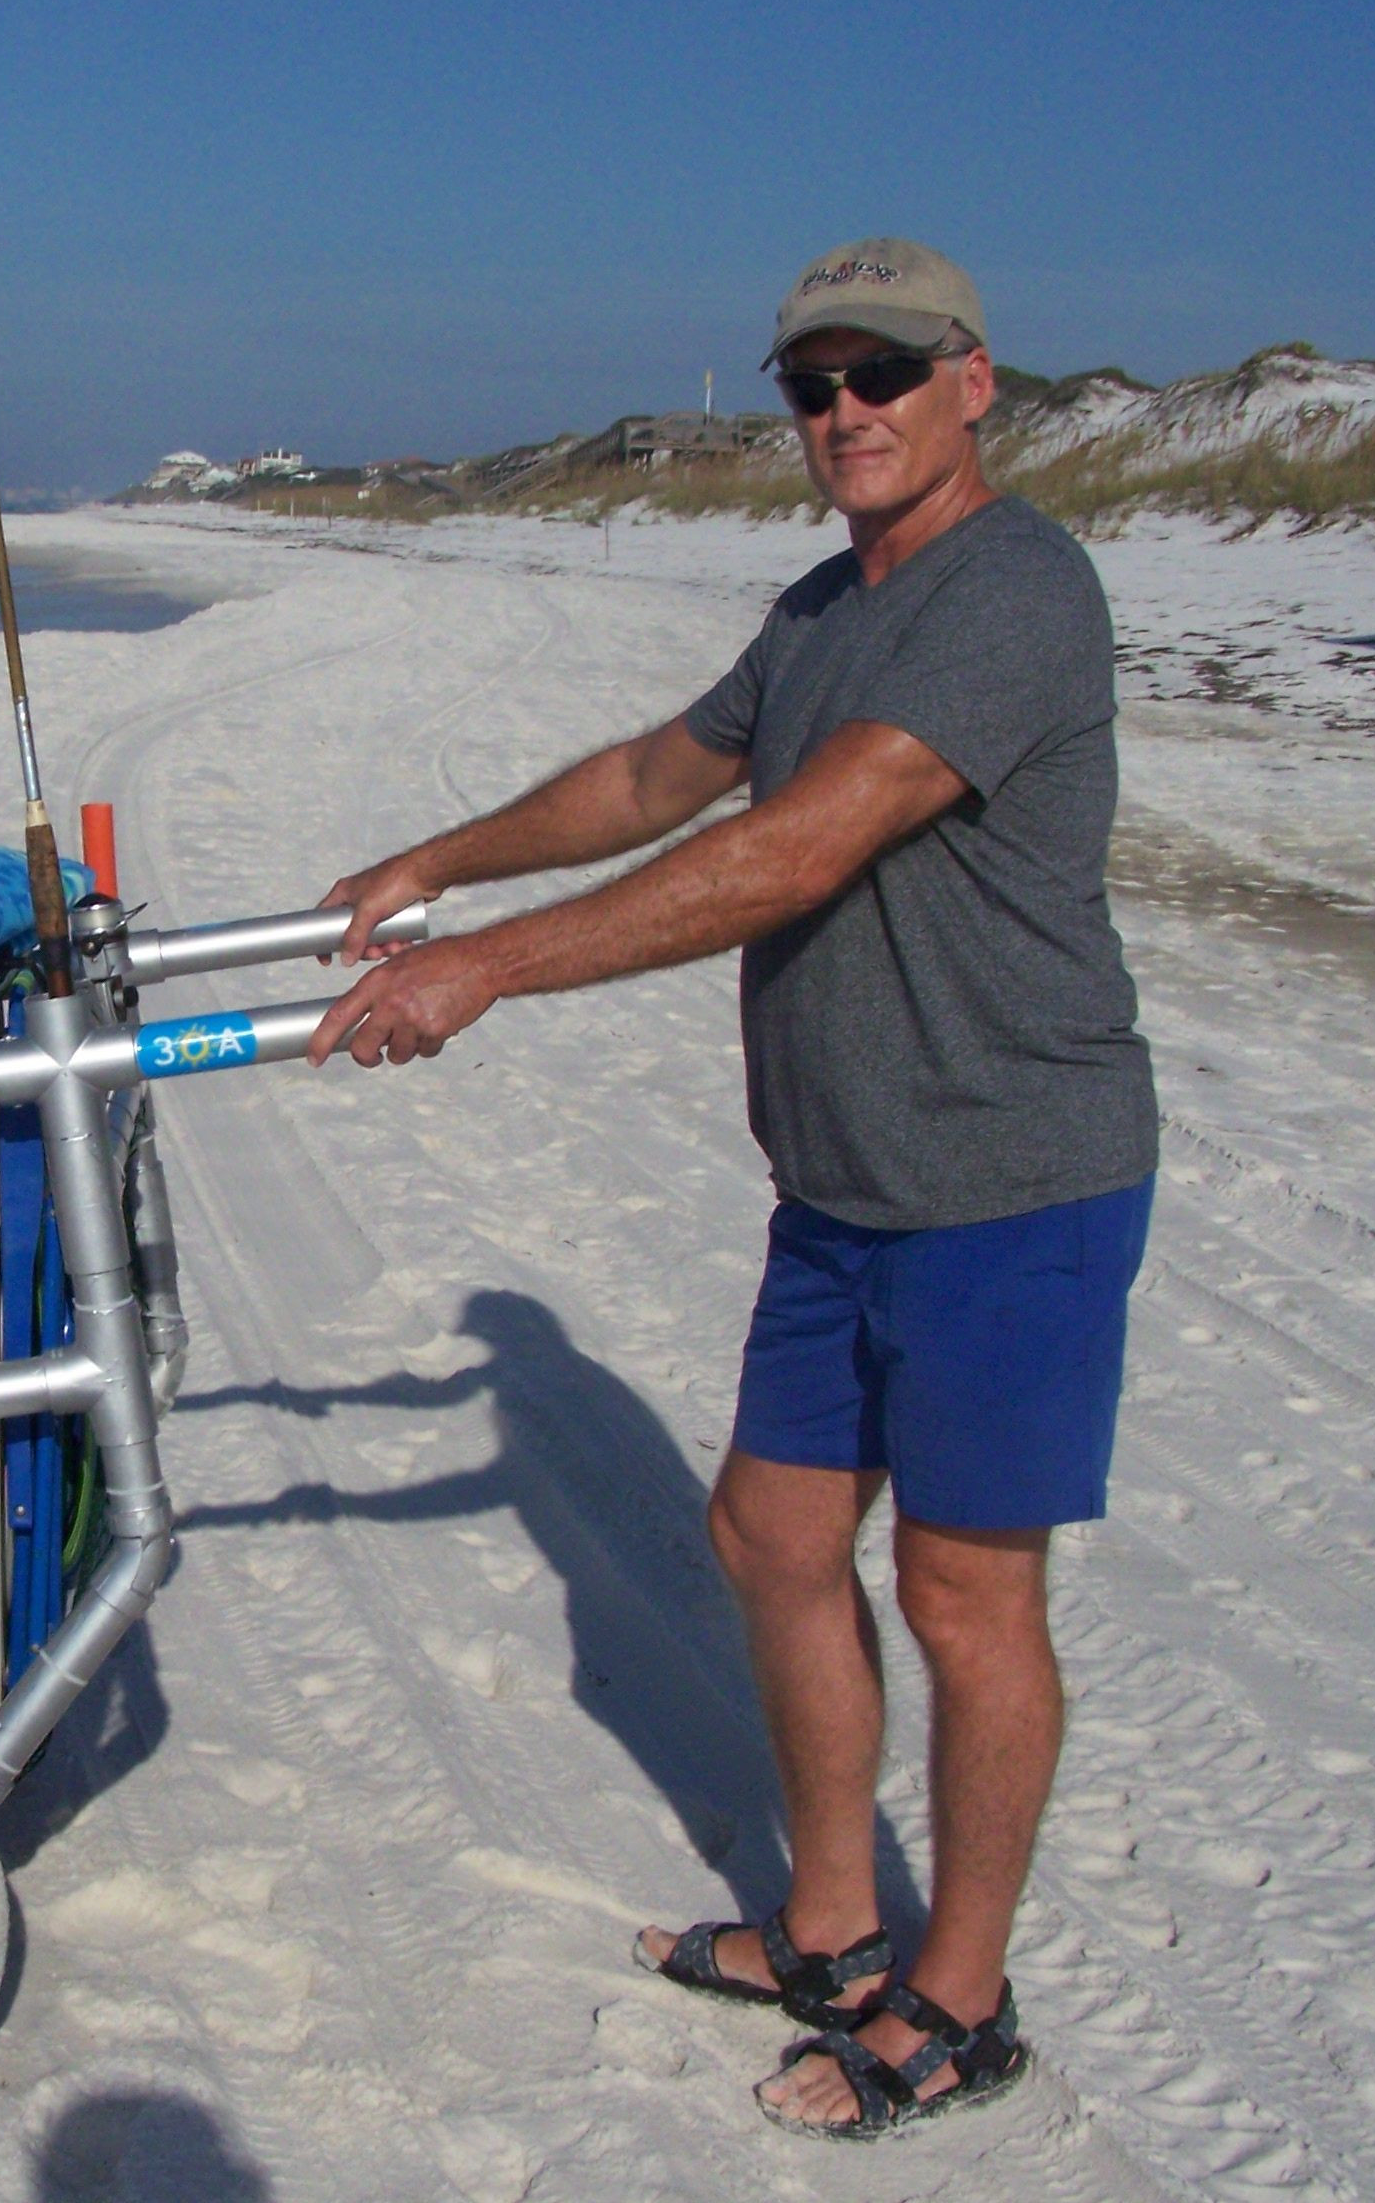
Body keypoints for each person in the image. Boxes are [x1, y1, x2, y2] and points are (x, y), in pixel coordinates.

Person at [307, 237, 1157, 2136]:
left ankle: (960, 1996)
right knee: (771, 1543)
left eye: (883, 376)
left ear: (972, 384)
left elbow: (801, 847)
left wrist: (492, 970)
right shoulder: (816, 609)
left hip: (1009, 1178)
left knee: (963, 1593)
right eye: (810, 385)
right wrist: (434, 865)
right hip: (842, 1185)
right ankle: (837, 1925)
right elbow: (647, 780)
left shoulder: (1017, 590)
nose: (845, 414)